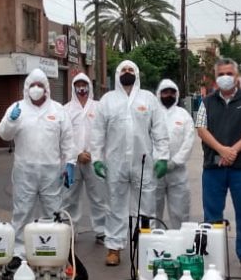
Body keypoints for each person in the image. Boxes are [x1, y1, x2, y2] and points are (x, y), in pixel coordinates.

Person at [90, 60, 170, 266]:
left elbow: (160, 131)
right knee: (115, 205)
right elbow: (97, 133)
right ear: (117, 74)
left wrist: (162, 158)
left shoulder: (148, 99)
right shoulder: (107, 100)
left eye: (131, 70)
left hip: (143, 162)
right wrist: (97, 159)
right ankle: (114, 248)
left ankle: (147, 247)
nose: (127, 73)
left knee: (146, 206)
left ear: (137, 74)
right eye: (123, 70)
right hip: (115, 163)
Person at [195, 58, 241, 276]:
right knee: (212, 214)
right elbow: (201, 128)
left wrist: (233, 150)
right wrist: (221, 150)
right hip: (213, 167)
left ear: (236, 77)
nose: (225, 77)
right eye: (221, 74)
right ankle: (212, 255)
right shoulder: (206, 102)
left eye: (229, 73)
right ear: (215, 78)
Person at [0, 69, 76, 260]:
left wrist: (70, 163)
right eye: (32, 85)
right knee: (22, 212)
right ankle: (19, 253)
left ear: (46, 88)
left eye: (40, 85)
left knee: (53, 213)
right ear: (26, 87)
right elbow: (3, 134)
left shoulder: (58, 110)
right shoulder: (16, 108)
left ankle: (55, 252)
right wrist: (11, 120)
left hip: (52, 171)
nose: (36, 89)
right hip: (25, 170)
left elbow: (67, 140)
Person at [62, 73, 109, 244]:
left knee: (98, 196)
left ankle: (101, 231)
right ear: (74, 87)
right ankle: (68, 230)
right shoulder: (66, 109)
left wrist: (93, 153)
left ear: (89, 86)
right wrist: (77, 153)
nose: (81, 88)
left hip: (94, 159)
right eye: (78, 85)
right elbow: (65, 136)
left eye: (84, 84)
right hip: (72, 161)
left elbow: (103, 133)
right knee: (69, 197)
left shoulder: (98, 108)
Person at [154, 79, 196, 229]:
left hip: (177, 173)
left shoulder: (183, 115)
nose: (169, 95)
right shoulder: (152, 113)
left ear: (177, 94)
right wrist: (156, 161)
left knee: (180, 213)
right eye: (165, 92)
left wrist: (173, 163)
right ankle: (154, 244)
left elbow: (188, 142)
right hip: (154, 171)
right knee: (152, 214)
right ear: (159, 93)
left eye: (172, 92)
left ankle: (180, 242)